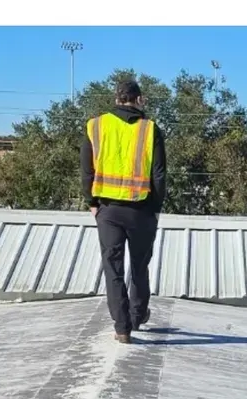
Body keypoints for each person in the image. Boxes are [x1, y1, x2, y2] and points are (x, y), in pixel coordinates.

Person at [81, 78, 167, 343]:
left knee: (113, 268)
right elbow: (160, 176)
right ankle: (138, 315)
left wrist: (92, 203)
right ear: (138, 99)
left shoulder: (95, 126)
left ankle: (122, 328)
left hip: (107, 210)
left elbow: (87, 170)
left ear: (116, 99)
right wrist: (155, 209)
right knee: (139, 267)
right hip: (141, 210)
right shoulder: (150, 129)